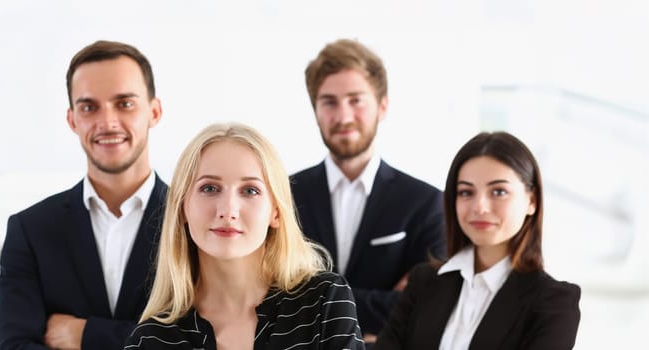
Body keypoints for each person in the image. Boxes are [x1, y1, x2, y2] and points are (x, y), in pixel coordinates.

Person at [124, 122, 365, 350]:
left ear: (276, 212)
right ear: (182, 208)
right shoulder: (149, 340)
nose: (228, 211)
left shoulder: (325, 302)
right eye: (209, 188)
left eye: (250, 190)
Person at [0, 40, 167, 350]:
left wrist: (85, 335)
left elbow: (204, 340)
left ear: (154, 112)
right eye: (89, 107)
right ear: (72, 119)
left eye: (124, 103)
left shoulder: (192, 220)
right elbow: (14, 346)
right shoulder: (31, 230)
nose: (107, 122)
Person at [290, 38, 446, 338]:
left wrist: (309, 303)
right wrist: (382, 307)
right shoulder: (283, 196)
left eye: (356, 100)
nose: (343, 116)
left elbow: (428, 306)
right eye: (329, 102)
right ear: (315, 110)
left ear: (382, 105)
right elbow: (262, 295)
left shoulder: (425, 203)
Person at [375, 131, 581, 349]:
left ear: (532, 201)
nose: (479, 207)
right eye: (466, 192)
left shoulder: (554, 303)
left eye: (499, 191)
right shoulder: (423, 282)